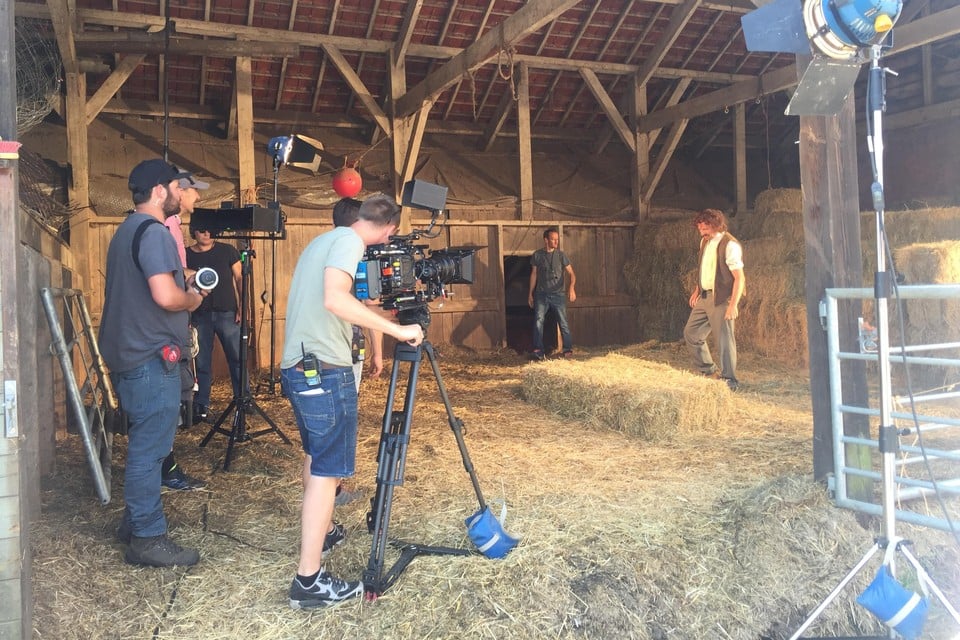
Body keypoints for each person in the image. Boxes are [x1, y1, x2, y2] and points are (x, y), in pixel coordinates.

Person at [281, 193, 423, 609]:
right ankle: (308, 582)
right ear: (389, 229)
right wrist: (398, 334)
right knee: (327, 471)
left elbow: (346, 301)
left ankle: (321, 534)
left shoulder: (323, 240)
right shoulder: (351, 243)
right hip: (325, 368)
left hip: (303, 365)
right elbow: (334, 299)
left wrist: (386, 315)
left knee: (315, 456)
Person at [98, 158, 207, 567]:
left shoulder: (127, 230)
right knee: (151, 450)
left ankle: (134, 521)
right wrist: (192, 298)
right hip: (149, 357)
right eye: (179, 188)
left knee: (146, 444)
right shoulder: (156, 232)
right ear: (161, 190)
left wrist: (183, 278)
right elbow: (164, 297)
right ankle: (147, 537)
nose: (183, 196)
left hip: (130, 352)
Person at [156, 174, 211, 492]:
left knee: (177, 394)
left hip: (175, 325)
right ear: (176, 190)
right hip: (166, 328)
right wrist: (192, 289)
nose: (198, 198)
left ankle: (166, 463)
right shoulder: (162, 227)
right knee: (168, 397)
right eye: (193, 191)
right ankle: (163, 468)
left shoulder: (172, 225)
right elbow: (166, 277)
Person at [186, 220, 245, 423]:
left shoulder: (228, 251)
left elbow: (239, 278)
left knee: (237, 358)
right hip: (199, 315)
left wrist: (243, 306)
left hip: (227, 312)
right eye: (202, 229)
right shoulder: (186, 254)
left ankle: (243, 400)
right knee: (201, 362)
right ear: (194, 232)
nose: (207, 233)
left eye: (212, 229)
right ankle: (201, 406)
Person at [683, 208, 746, 391]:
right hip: (705, 296)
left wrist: (733, 305)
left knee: (724, 340)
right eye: (700, 228)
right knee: (691, 333)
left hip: (721, 298)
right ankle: (709, 371)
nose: (702, 232)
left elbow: (739, 278)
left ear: (716, 225)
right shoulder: (705, 242)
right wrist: (697, 289)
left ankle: (730, 380)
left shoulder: (730, 245)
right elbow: (705, 268)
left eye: (705, 228)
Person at [332, 197, 384, 391]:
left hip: (313, 342)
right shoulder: (361, 256)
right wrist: (378, 354)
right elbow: (372, 306)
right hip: (347, 341)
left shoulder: (319, 248)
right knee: (346, 402)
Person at [528, 227, 576, 360]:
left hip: (558, 295)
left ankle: (567, 350)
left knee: (563, 322)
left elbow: (571, 273)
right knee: (538, 321)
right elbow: (534, 274)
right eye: (553, 239)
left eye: (557, 239)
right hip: (541, 294)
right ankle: (538, 350)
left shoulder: (561, 255)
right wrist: (530, 293)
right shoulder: (537, 255)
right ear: (546, 240)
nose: (556, 242)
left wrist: (571, 288)